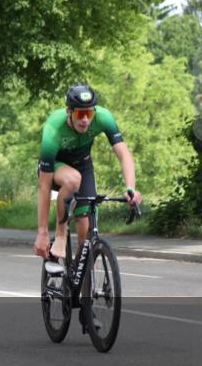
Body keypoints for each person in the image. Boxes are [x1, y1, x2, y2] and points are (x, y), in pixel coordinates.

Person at [33, 84, 142, 263]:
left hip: (83, 166)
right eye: (79, 114)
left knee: (86, 231)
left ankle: (80, 277)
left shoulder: (103, 117)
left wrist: (131, 188)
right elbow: (44, 186)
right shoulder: (54, 127)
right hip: (56, 168)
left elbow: (124, 154)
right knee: (73, 179)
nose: (85, 120)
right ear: (69, 111)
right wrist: (42, 232)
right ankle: (61, 234)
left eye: (89, 114)